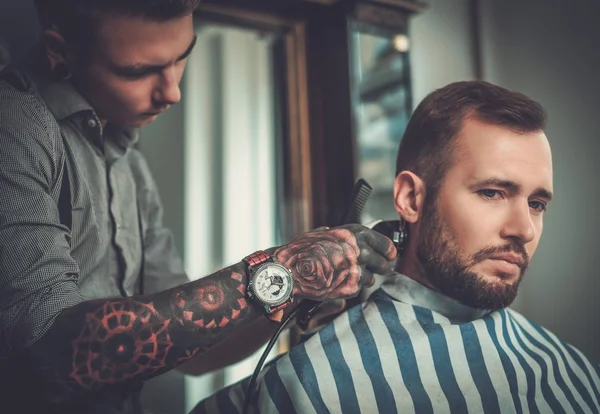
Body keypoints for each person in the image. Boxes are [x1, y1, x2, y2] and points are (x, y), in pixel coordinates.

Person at [0, 1, 398, 413]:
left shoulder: (128, 162)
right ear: (58, 49)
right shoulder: (12, 129)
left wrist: (294, 293)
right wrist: (281, 272)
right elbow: (53, 352)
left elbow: (196, 350)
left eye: (182, 57)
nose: (172, 91)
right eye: (137, 71)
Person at [192, 80, 600, 414]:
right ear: (409, 199)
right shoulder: (309, 388)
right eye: (492, 192)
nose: (524, 229)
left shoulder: (574, 371)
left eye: (537, 203)